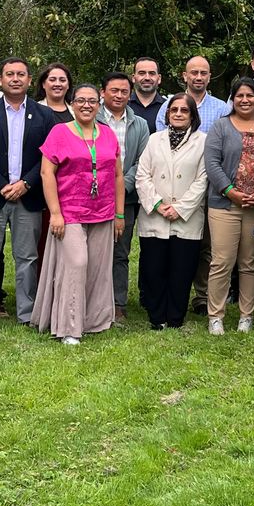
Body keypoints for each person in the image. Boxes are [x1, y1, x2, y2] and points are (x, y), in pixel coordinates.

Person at [33, 83, 123, 344]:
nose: (86, 105)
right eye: (81, 100)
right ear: (72, 104)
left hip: (103, 211)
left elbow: (117, 175)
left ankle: (93, 321)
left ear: (99, 104)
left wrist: (119, 214)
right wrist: (55, 213)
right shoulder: (59, 132)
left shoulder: (107, 134)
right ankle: (69, 327)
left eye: (92, 101)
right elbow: (46, 173)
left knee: (97, 268)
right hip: (70, 211)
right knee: (77, 264)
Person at [0, 58, 53, 325]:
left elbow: (48, 156)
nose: (15, 79)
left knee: (27, 257)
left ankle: (27, 313)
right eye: (9, 74)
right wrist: (1, 184)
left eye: (21, 74)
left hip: (28, 196)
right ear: (0, 80)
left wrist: (26, 183)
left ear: (29, 80)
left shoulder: (44, 115)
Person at [135, 93, 209, 329]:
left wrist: (179, 208)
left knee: (181, 270)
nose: (178, 114)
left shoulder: (203, 141)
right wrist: (157, 205)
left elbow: (202, 180)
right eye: (173, 110)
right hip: (155, 216)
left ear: (192, 115)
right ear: (167, 114)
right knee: (154, 269)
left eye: (184, 110)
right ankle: (157, 317)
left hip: (186, 217)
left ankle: (175, 317)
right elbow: (142, 175)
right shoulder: (154, 139)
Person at [203, 77, 254, 334]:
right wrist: (231, 192)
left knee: (249, 263)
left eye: (250, 96)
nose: (245, 100)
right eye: (239, 95)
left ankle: (246, 315)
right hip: (224, 204)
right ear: (232, 99)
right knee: (222, 261)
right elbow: (212, 163)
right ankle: (215, 315)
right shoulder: (220, 126)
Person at [99, 71, 151, 324]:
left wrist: (121, 188)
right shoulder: (92, 118)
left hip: (126, 200)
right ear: (103, 93)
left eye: (124, 92)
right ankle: (95, 300)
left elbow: (141, 162)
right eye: (114, 91)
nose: (119, 95)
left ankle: (118, 303)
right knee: (94, 251)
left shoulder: (139, 124)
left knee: (120, 253)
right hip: (92, 198)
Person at [158, 55, 229, 132]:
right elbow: (161, 140)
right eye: (194, 73)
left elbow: (227, 139)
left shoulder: (221, 109)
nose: (199, 78)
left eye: (203, 73)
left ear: (209, 77)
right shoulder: (168, 106)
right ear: (185, 76)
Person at [129, 56, 165, 130]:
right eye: (142, 73)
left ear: (159, 78)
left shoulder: (167, 107)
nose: (147, 78)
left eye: (152, 73)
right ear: (133, 78)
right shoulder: (123, 105)